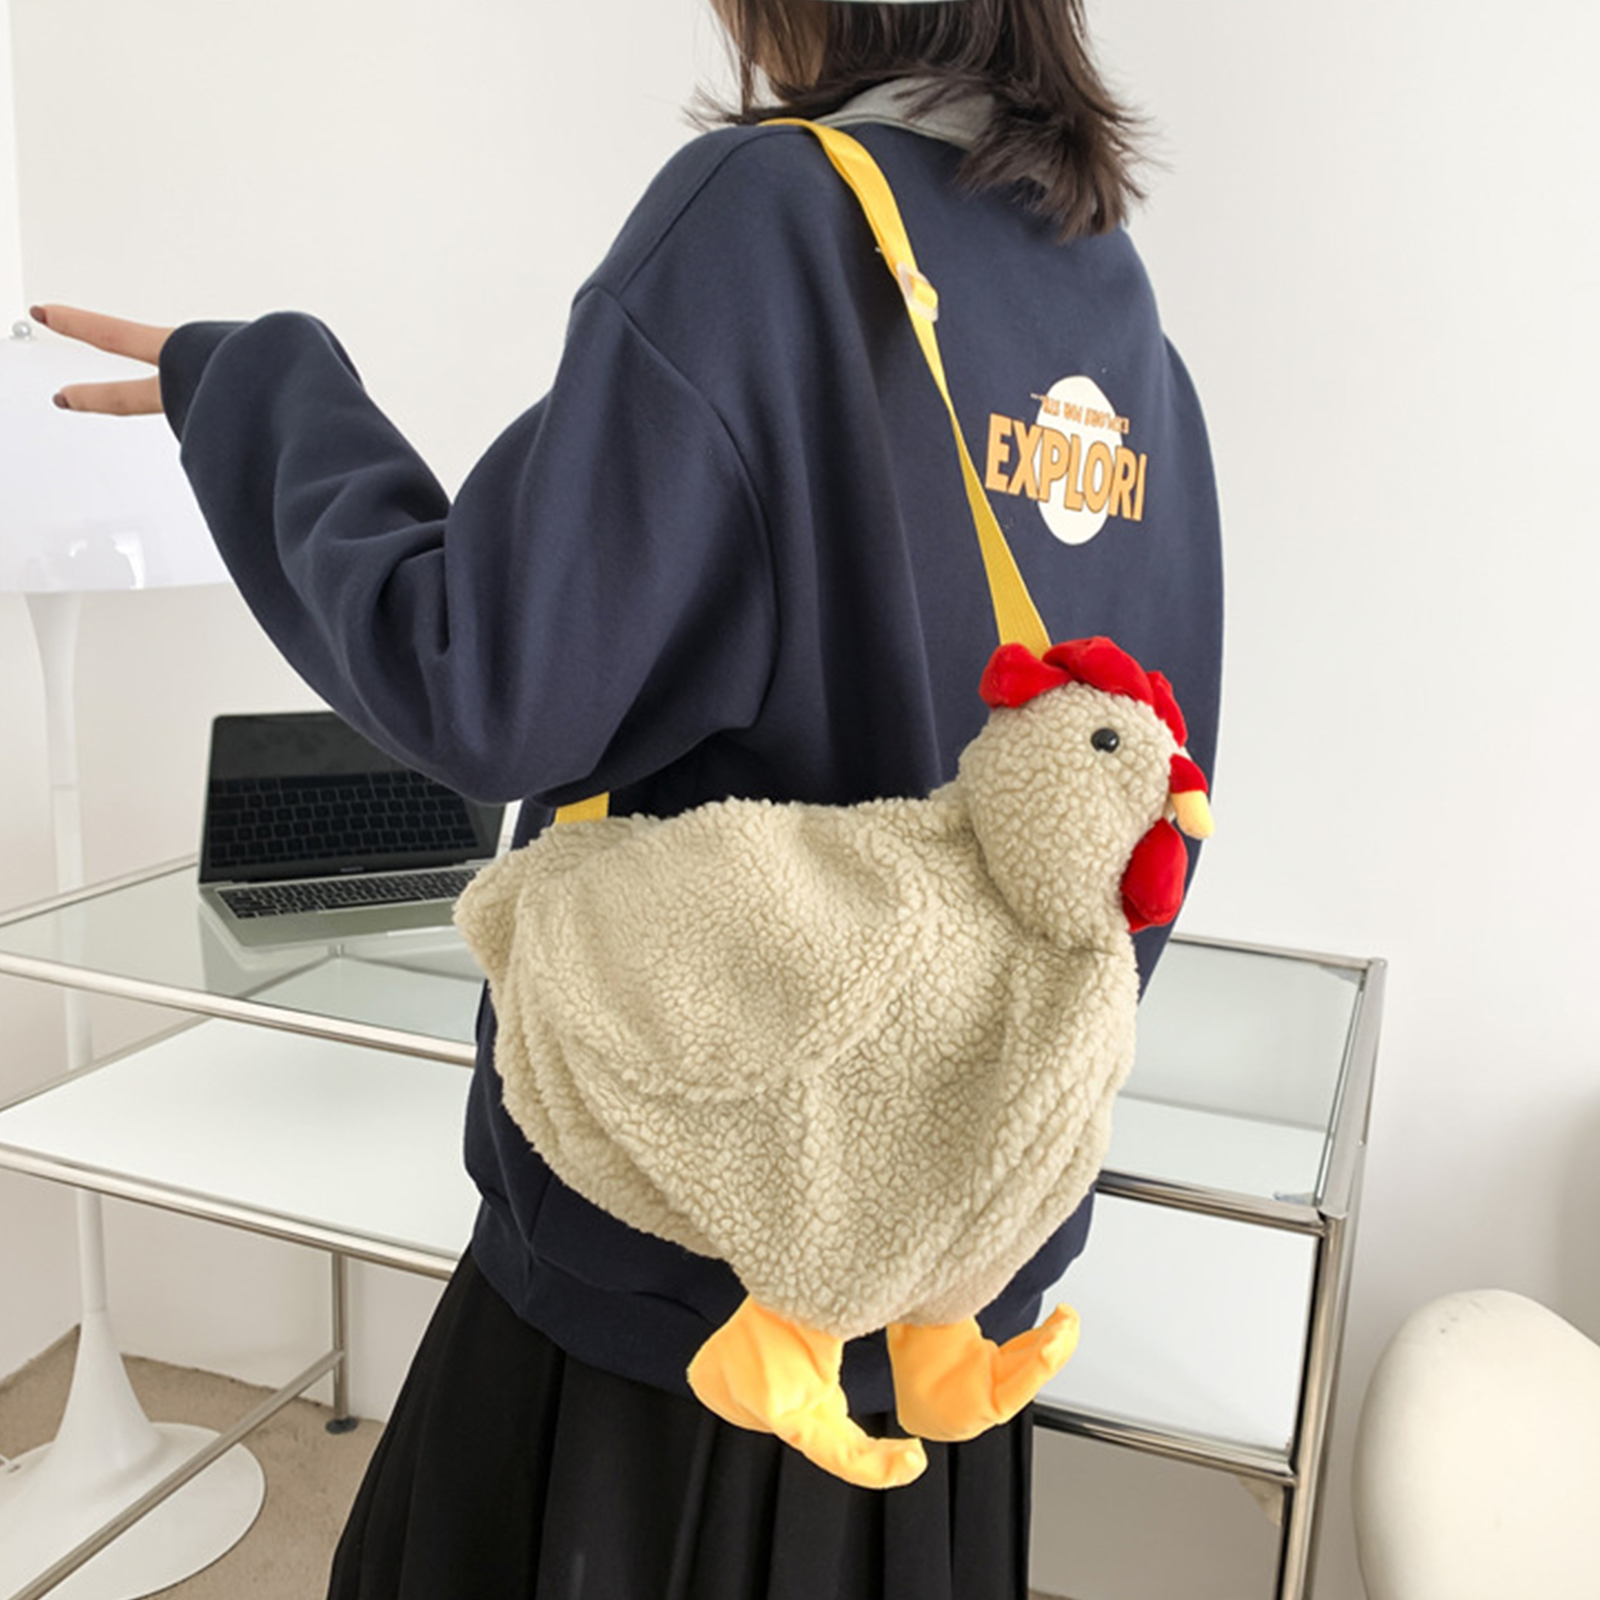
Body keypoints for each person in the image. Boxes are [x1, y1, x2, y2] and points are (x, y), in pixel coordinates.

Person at [42, 1, 1222, 1594]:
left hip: (678, 1325)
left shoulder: (768, 222)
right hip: (947, 1319)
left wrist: (262, 387)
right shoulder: (1110, 303)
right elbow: (1141, 821)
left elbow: (491, 682)